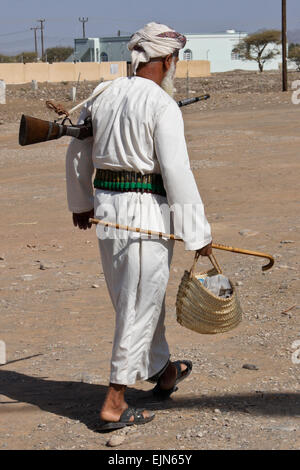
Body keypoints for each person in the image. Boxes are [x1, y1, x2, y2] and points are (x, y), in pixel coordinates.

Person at [65, 22, 212, 431]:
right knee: (136, 304)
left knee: (138, 296)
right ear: (166, 60)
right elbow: (177, 172)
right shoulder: (162, 105)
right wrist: (199, 235)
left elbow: (77, 150)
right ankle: (114, 403)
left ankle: (163, 370)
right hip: (145, 214)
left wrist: (81, 203)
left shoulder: (103, 93)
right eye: (175, 60)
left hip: (107, 211)